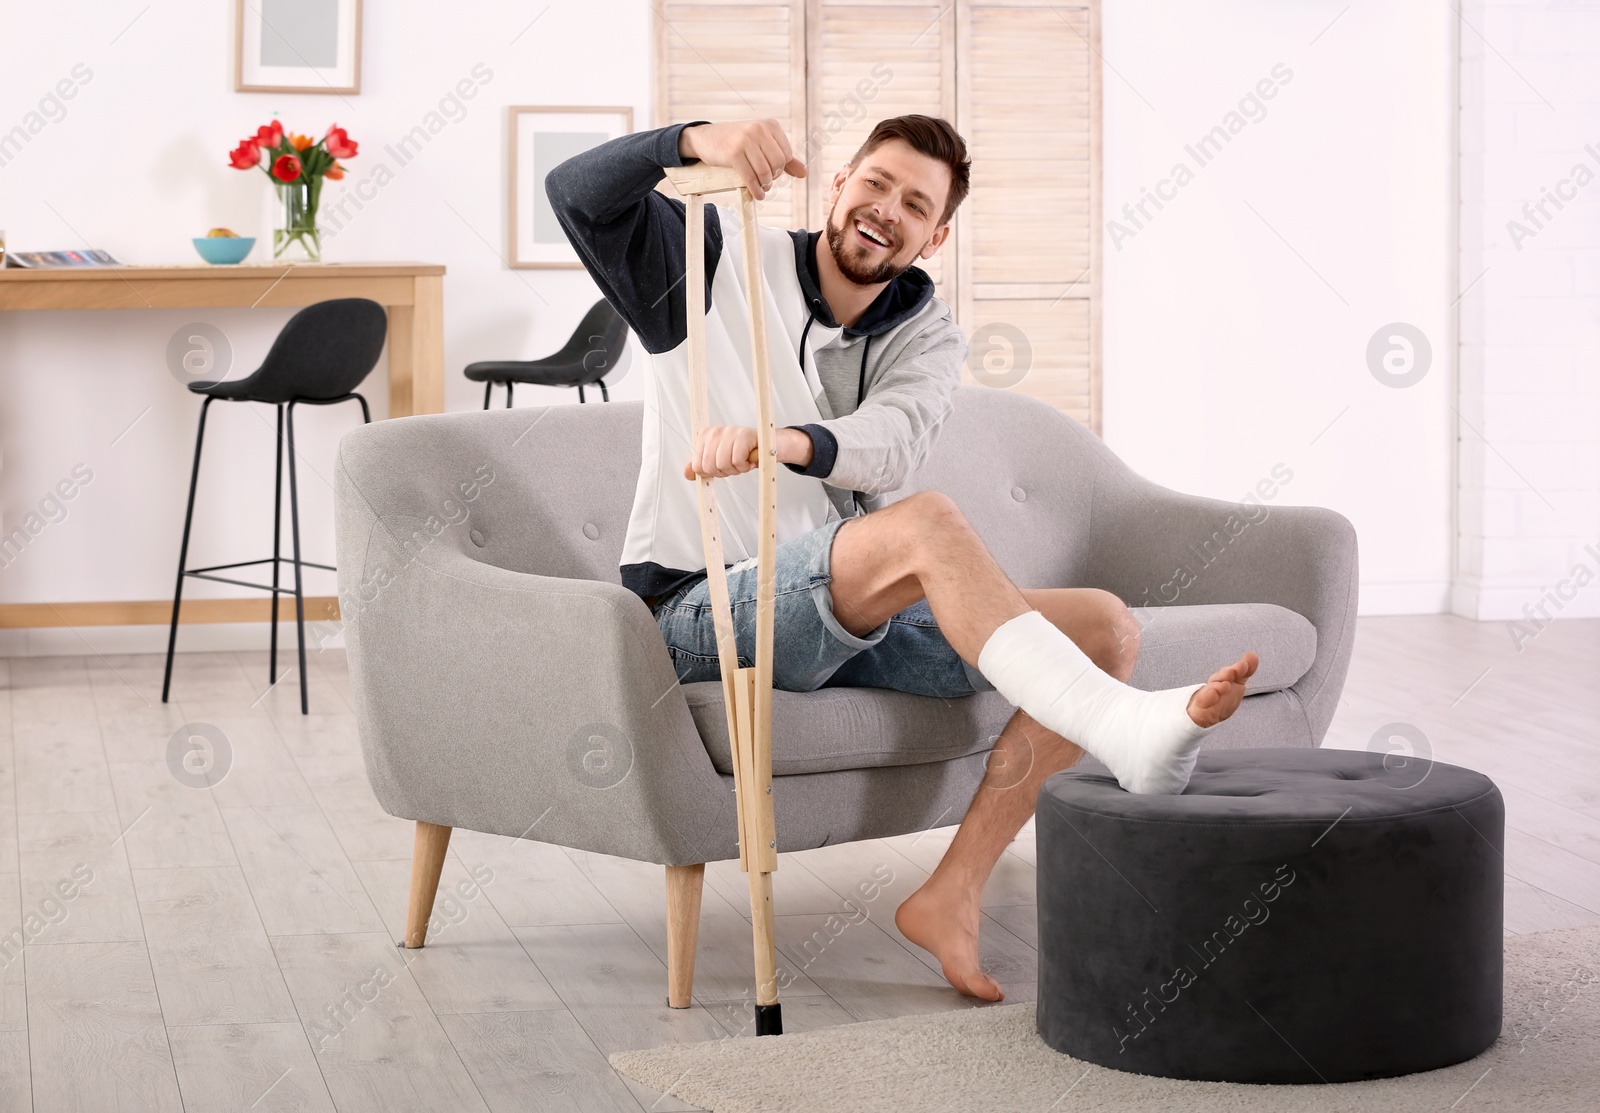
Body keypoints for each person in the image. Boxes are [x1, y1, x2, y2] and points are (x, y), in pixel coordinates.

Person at [546, 116, 1258, 1002]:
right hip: (705, 610)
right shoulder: (710, 262)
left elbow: (892, 443)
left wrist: (783, 442)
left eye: (916, 205)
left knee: (1104, 626)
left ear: (937, 236)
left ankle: (949, 896)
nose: (886, 211)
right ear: (839, 182)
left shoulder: (926, 332)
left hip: (844, 608)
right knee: (924, 527)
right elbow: (575, 192)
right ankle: (1124, 730)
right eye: (876, 184)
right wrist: (694, 140)